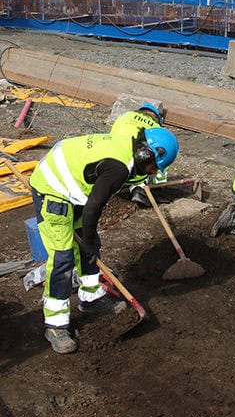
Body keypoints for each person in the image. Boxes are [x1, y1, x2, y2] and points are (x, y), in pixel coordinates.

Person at [29, 127, 179, 354]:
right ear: (146, 155)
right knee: (62, 258)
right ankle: (55, 326)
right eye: (153, 167)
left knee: (90, 246)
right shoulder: (118, 168)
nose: (151, 172)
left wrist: (90, 240)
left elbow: (93, 205)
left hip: (75, 185)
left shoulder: (128, 149)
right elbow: (94, 206)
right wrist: (87, 239)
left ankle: (90, 298)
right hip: (53, 188)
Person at [109, 102, 167, 207]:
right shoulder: (156, 128)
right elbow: (160, 160)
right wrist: (158, 186)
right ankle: (138, 188)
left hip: (112, 157)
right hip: (134, 165)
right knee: (155, 158)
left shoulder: (124, 116)